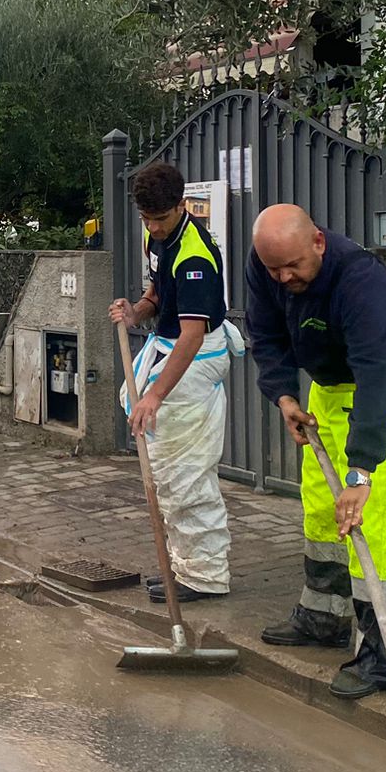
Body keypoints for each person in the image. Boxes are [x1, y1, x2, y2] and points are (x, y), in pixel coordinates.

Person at [245, 204, 386, 700]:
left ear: (318, 243)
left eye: (293, 267)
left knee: (373, 515)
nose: (283, 278)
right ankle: (323, 616)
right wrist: (284, 397)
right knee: (321, 501)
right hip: (328, 383)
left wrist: (362, 472)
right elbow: (266, 335)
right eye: (273, 269)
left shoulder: (363, 283)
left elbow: (377, 377)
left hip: (385, 382)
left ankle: (384, 656)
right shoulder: (267, 267)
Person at [108, 161, 238, 604]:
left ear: (182, 206)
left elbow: (193, 333)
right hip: (169, 348)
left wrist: (155, 396)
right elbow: (158, 293)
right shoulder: (156, 237)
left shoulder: (196, 254)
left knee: (185, 472)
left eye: (160, 219)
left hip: (193, 359)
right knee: (166, 471)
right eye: (146, 219)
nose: (152, 228)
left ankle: (205, 576)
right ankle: (183, 568)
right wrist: (137, 312)